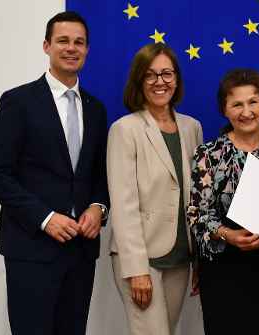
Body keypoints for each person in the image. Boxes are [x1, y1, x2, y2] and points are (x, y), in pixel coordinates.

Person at [0, 11, 109, 335]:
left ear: (87, 49)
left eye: (79, 42)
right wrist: (45, 218)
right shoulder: (18, 101)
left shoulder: (96, 109)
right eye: (63, 41)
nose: (71, 48)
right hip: (31, 247)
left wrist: (99, 207)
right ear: (46, 46)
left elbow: (98, 173)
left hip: (81, 251)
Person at [187, 69, 259, 335]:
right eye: (237, 104)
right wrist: (228, 235)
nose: (246, 111)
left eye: (253, 102)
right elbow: (196, 213)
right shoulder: (208, 154)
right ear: (224, 109)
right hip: (223, 266)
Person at [107, 43, 203, 335]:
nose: (160, 81)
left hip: (180, 257)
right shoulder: (125, 129)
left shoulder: (192, 128)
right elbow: (123, 205)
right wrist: (137, 270)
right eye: (150, 75)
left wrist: (199, 259)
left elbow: (198, 199)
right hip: (142, 259)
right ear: (139, 80)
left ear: (176, 78)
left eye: (167, 73)